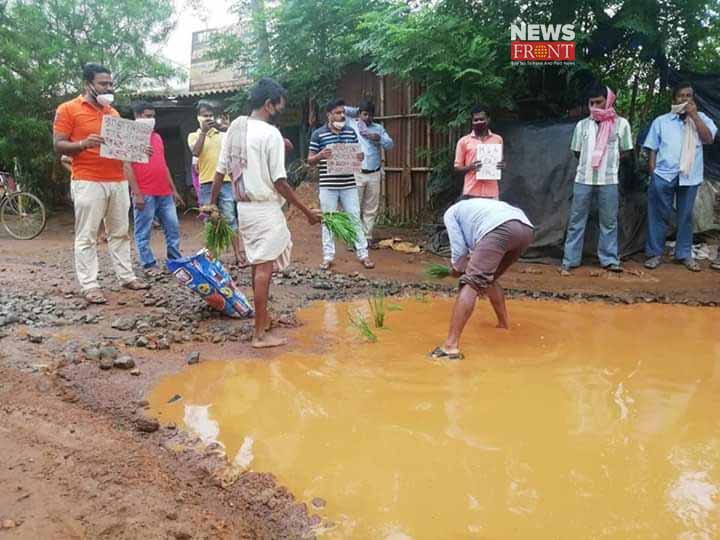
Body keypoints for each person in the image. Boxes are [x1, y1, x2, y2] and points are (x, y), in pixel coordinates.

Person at [211, 77, 321, 348]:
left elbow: (219, 171)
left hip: (244, 209)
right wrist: (306, 211)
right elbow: (280, 182)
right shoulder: (270, 133)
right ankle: (259, 334)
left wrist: (211, 203)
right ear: (269, 105)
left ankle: (263, 320)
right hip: (265, 208)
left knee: (257, 264)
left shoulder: (235, 129)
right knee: (264, 268)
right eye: (279, 105)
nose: (280, 110)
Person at [53, 63, 149, 304]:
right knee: (87, 235)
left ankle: (126, 276)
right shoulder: (68, 109)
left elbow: (121, 150)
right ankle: (90, 284)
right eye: (103, 84)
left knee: (120, 232)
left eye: (110, 83)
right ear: (89, 85)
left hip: (117, 180)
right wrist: (82, 144)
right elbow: (58, 145)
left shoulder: (113, 113)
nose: (108, 87)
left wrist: (139, 149)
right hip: (88, 180)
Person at [430, 198, 534, 359]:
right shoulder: (474, 210)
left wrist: (455, 269)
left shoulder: (450, 214)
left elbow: (459, 253)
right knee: (488, 279)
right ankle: (504, 324)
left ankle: (450, 346)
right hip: (526, 230)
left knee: (471, 283)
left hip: (500, 228)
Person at [643, 81, 717, 272]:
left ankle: (684, 254)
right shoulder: (661, 121)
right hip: (663, 175)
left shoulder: (703, 119)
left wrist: (694, 117)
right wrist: (653, 173)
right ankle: (654, 254)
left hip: (690, 176)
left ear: (693, 99)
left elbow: (708, 139)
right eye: (681, 96)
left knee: (685, 216)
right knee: (658, 214)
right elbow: (651, 148)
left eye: (689, 96)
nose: (685, 99)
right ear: (674, 99)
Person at [560, 84, 633, 275]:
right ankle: (570, 260)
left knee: (609, 221)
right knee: (576, 220)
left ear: (608, 100)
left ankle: (609, 260)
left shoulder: (621, 124)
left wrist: (608, 162)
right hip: (583, 178)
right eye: (591, 103)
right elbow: (576, 151)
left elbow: (625, 150)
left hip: (608, 179)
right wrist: (592, 160)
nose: (595, 107)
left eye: (599, 102)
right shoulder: (582, 125)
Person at [308, 99, 374, 270]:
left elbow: (356, 155)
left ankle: (363, 255)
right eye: (338, 113)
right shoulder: (318, 134)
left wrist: (359, 157)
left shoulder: (351, 132)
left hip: (348, 184)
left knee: (354, 218)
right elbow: (310, 160)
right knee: (328, 221)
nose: (342, 116)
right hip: (328, 186)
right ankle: (328, 256)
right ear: (329, 115)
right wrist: (320, 155)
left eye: (343, 112)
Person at [123, 101, 185, 277]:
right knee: (143, 231)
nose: (152, 119)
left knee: (172, 227)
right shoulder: (129, 138)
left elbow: (163, 165)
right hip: (145, 191)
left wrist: (173, 189)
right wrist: (137, 193)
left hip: (164, 191)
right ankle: (148, 264)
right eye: (148, 116)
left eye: (153, 116)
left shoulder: (157, 137)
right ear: (137, 116)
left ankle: (175, 260)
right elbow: (126, 166)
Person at [188, 100, 243, 265]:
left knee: (230, 218)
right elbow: (195, 152)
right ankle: (212, 257)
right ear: (198, 117)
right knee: (209, 220)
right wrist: (204, 133)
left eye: (211, 115)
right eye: (205, 115)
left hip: (225, 182)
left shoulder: (223, 135)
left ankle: (238, 255)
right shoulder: (194, 135)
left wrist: (229, 130)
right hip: (206, 183)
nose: (208, 118)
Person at [345, 100, 394, 247]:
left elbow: (390, 144)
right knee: (354, 207)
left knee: (371, 208)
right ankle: (353, 239)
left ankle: (366, 237)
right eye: (364, 114)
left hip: (374, 173)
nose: (367, 118)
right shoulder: (352, 124)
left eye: (370, 115)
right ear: (359, 114)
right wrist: (357, 111)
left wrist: (379, 138)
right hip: (356, 173)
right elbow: (342, 109)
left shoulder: (378, 128)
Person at [453, 105, 505, 199]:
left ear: (488, 119)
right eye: (475, 120)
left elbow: (500, 162)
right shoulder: (463, 141)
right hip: (471, 191)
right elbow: (457, 168)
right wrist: (470, 167)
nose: (478, 122)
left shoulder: (498, 139)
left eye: (481, 119)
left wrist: (502, 165)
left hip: (491, 192)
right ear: (472, 122)